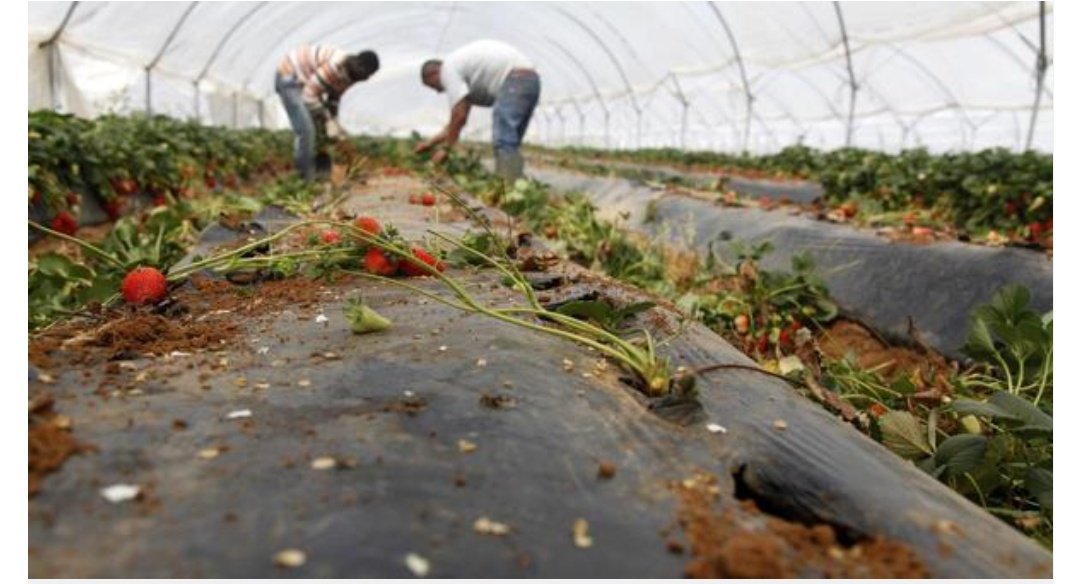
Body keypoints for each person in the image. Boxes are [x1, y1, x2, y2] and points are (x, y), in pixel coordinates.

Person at [414, 39, 541, 181]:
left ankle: (508, 185)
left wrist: (446, 149)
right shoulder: (462, 72)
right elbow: (456, 122)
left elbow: (459, 115)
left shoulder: (448, 70)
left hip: (514, 80)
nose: (438, 91)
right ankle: (516, 185)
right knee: (511, 142)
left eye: (433, 86)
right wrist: (429, 143)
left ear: (434, 73)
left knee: (503, 140)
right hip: (530, 81)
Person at [275, 45, 379, 180]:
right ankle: (305, 179)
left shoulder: (352, 74)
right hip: (289, 77)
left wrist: (334, 121)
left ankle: (318, 169)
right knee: (306, 130)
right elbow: (308, 96)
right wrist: (328, 119)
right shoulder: (335, 66)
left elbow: (334, 99)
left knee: (320, 128)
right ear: (357, 65)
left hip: (306, 82)